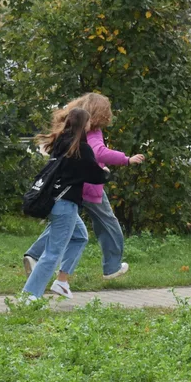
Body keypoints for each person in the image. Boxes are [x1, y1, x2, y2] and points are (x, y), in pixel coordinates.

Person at [23, 93, 143, 281]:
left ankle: (35, 256)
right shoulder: (92, 132)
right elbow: (97, 151)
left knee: (66, 226)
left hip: (70, 186)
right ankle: (112, 267)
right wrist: (126, 159)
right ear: (98, 113)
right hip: (88, 186)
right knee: (109, 224)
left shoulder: (71, 129)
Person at [21, 107, 110, 299]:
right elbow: (95, 175)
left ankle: (62, 282)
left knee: (80, 236)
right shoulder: (81, 147)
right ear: (84, 124)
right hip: (66, 205)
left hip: (54, 201)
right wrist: (106, 172)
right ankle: (30, 296)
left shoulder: (61, 141)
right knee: (53, 253)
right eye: (88, 122)